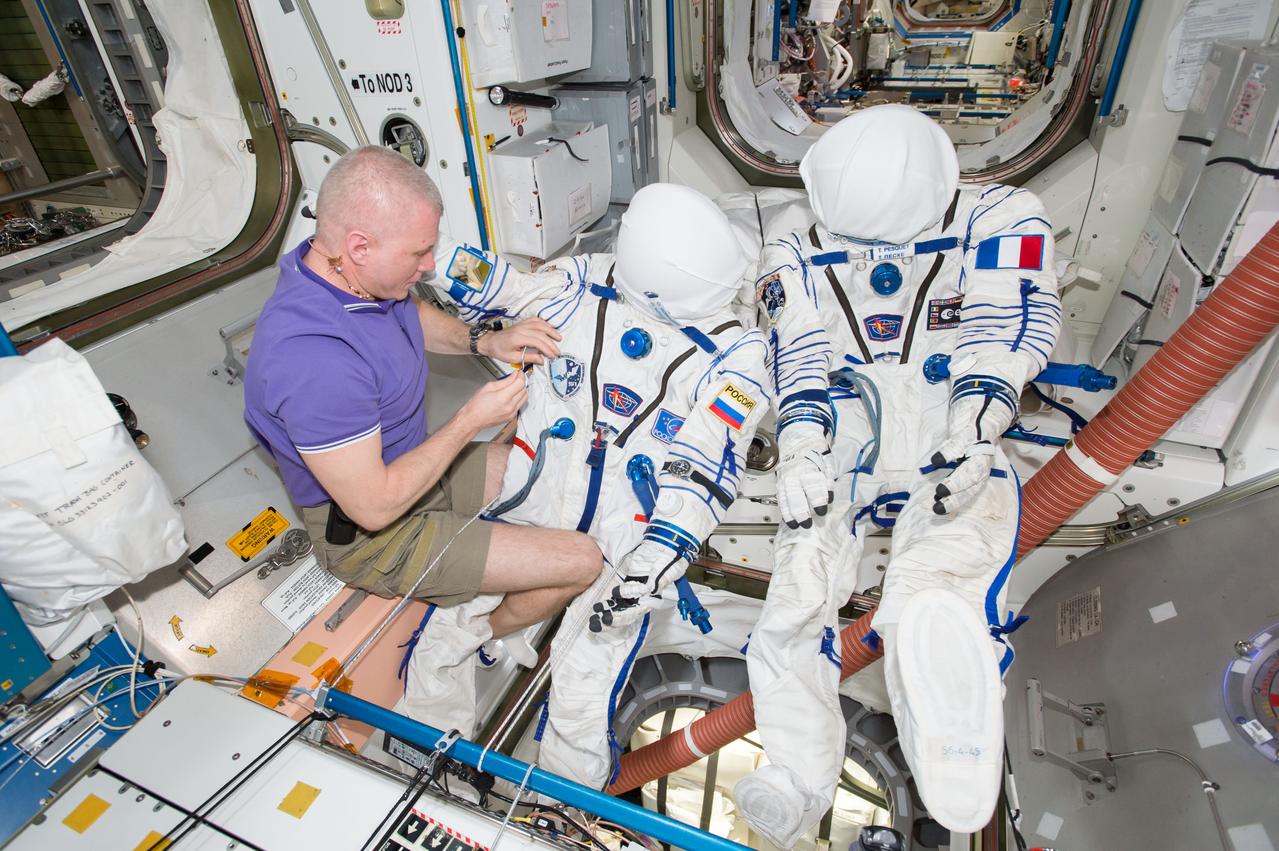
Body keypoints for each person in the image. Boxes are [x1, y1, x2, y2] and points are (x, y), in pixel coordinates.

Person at [736, 105, 1060, 844]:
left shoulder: (1002, 218)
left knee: (936, 574)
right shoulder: (790, 244)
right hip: (846, 416)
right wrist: (801, 449)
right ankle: (795, 775)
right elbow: (797, 353)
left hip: (950, 406)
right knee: (795, 592)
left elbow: (1003, 327)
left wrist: (977, 430)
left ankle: (949, 731)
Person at [395, 183, 771, 792]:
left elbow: (710, 460)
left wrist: (658, 559)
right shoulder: (583, 283)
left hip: (633, 532)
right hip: (537, 495)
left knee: (586, 683)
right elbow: (500, 286)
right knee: (451, 623)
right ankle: (421, 759)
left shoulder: (738, 355)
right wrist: (430, 256)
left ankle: (559, 807)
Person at [243, 145, 602, 644]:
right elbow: (374, 507)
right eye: (417, 253)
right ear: (360, 247)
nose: (430, 265)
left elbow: (406, 313)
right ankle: (474, 639)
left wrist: (485, 340)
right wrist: (469, 421)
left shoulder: (349, 275)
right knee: (583, 562)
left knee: (548, 470)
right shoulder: (313, 360)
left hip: (412, 468)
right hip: (371, 533)